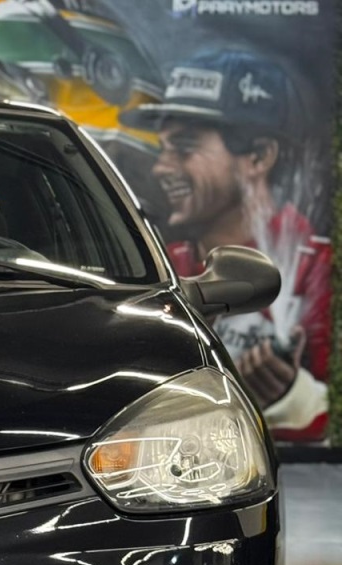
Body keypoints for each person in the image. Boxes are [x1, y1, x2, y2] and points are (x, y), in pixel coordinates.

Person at [121, 50, 331, 442]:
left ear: (259, 157)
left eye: (184, 148)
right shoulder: (157, 264)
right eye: (163, 148)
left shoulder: (323, 273)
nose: (161, 167)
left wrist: (291, 397)